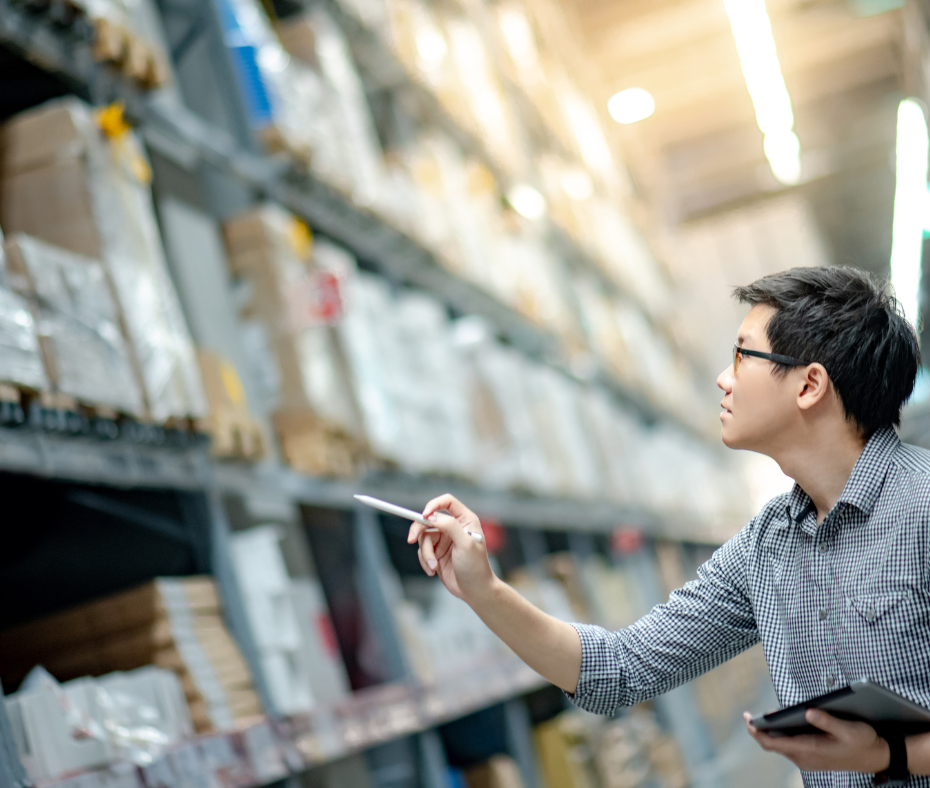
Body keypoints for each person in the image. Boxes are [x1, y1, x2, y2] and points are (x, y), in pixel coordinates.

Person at [407, 266, 930, 787]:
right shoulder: (768, 545)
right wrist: (485, 590)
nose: (724, 379)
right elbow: (619, 669)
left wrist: (891, 756)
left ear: (809, 384)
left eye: (742, 356)